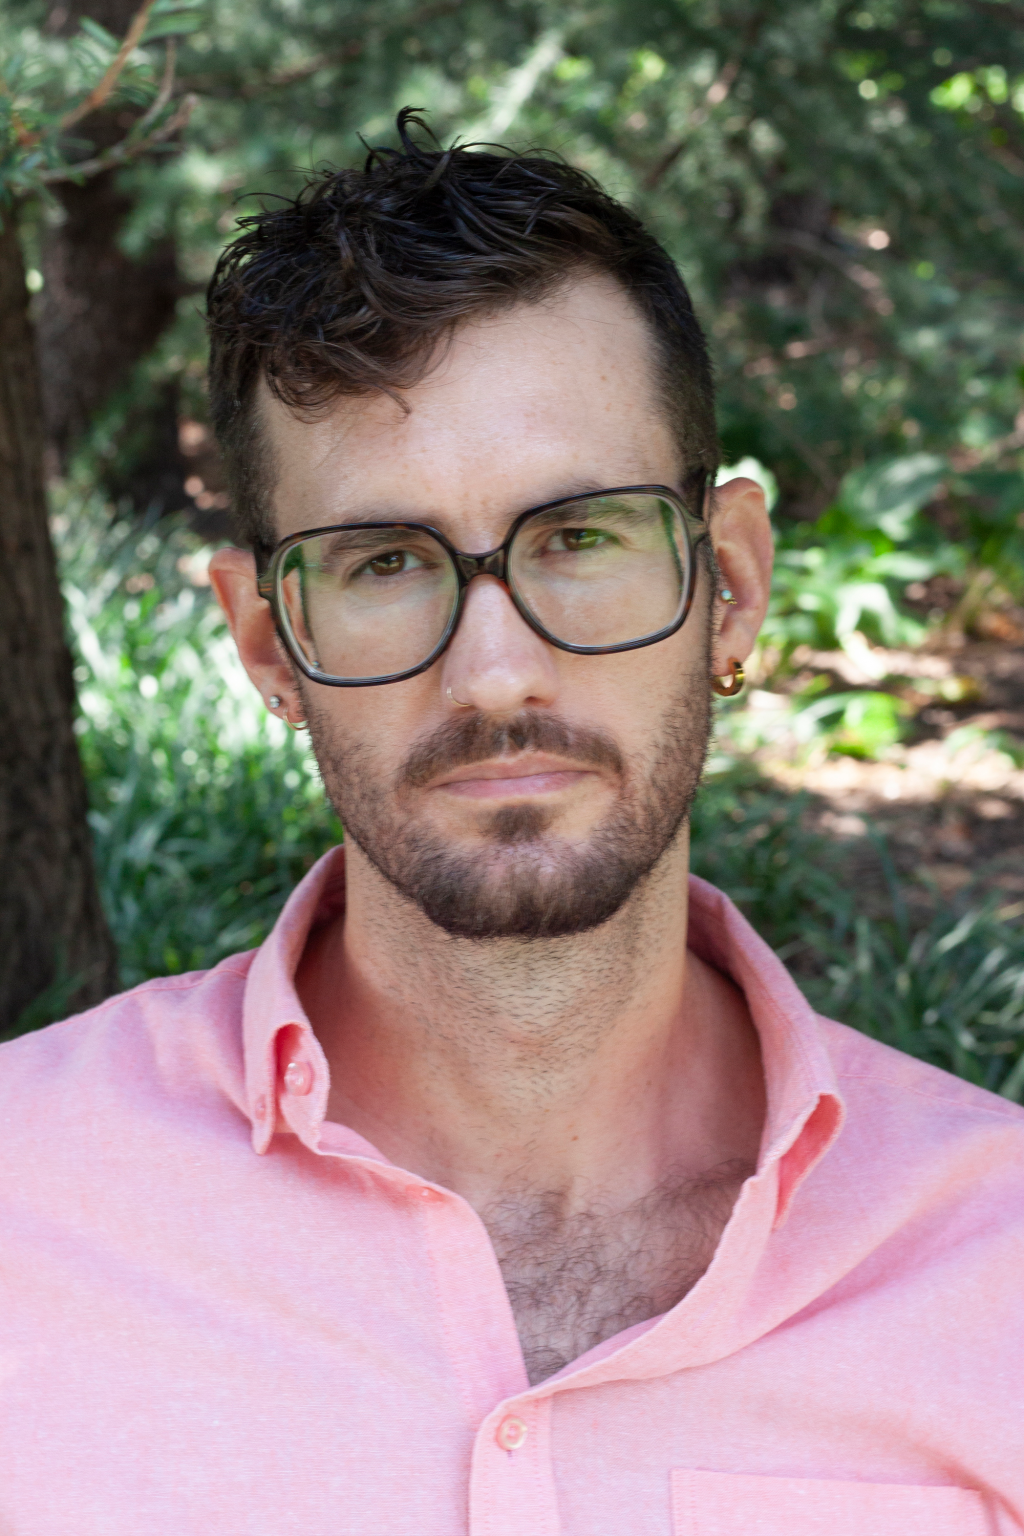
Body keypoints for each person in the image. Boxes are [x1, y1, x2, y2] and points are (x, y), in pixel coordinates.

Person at [1, 111, 1021, 1535]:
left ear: (729, 585)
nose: (494, 675)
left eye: (580, 536)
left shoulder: (995, 1265)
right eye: (382, 561)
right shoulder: (24, 1205)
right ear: (269, 644)